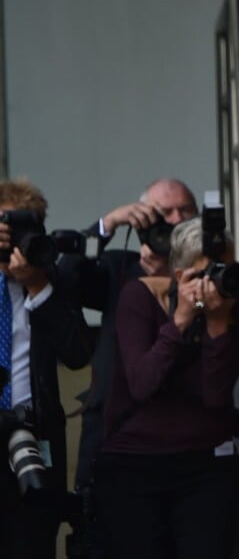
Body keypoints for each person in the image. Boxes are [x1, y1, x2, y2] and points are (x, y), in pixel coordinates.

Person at [93, 216, 239, 559]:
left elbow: (215, 395)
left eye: (225, 268)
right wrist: (180, 320)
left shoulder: (238, 309)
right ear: (180, 277)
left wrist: (216, 325)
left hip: (206, 464)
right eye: (207, 273)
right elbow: (141, 383)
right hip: (133, 462)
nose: (217, 283)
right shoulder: (138, 297)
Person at [58, 178, 198, 491]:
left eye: (185, 210)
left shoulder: (212, 276)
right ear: (142, 218)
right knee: (97, 530)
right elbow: (64, 276)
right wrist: (106, 224)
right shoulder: (119, 267)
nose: (176, 219)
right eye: (165, 212)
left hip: (187, 432)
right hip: (112, 428)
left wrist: (171, 281)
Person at [0, 179, 91, 559]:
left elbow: (77, 352)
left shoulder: (53, 280)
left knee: (32, 543)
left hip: (34, 434)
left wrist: (37, 286)